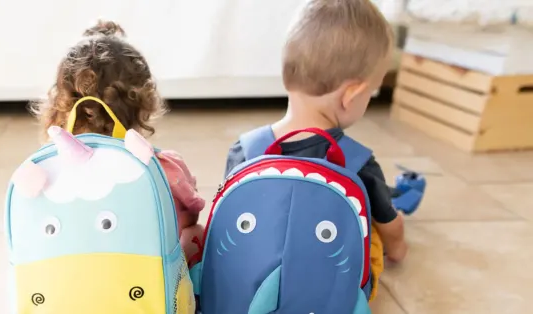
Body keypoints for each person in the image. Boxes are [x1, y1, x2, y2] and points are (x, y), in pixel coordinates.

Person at [224, 0, 406, 300]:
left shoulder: (243, 150)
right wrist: (398, 248)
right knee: (371, 229)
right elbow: (391, 227)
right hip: (325, 291)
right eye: (371, 93)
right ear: (352, 95)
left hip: (248, 288)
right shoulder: (358, 163)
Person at [30, 20, 205, 261]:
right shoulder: (163, 168)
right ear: (144, 105)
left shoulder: (47, 172)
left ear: (58, 105)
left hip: (68, 280)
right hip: (140, 282)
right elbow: (190, 214)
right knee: (197, 233)